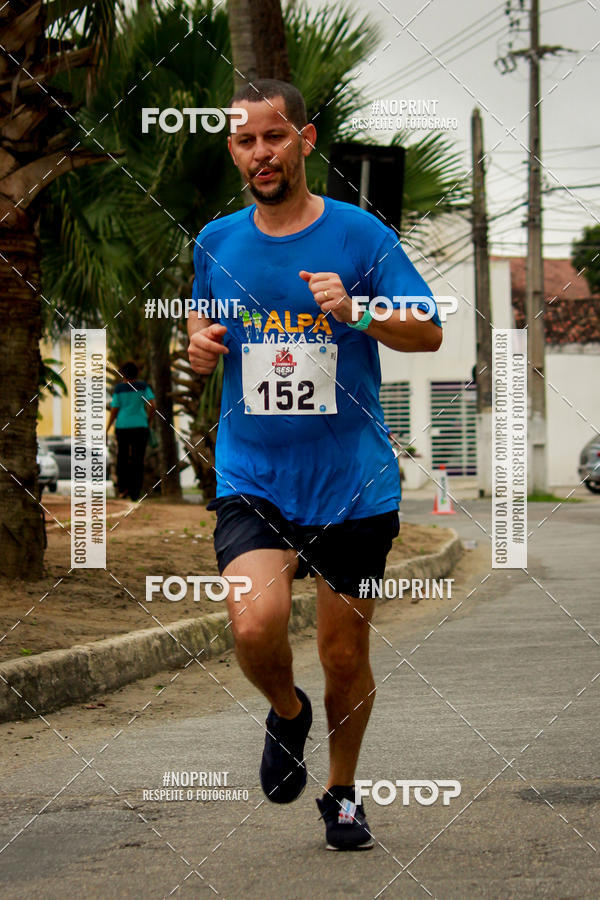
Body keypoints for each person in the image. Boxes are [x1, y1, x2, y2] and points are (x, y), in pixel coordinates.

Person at [187, 79, 442, 851]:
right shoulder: (217, 242)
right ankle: (286, 713)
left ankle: (341, 793)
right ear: (233, 151)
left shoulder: (363, 236)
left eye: (273, 137)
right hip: (254, 472)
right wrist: (197, 348)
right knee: (254, 625)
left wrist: (358, 309)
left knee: (342, 652)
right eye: (244, 141)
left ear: (306, 138)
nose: (259, 154)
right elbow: (204, 325)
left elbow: (428, 330)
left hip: (351, 481)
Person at [107, 361, 156, 501]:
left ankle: (123, 489)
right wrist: (148, 420)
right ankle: (135, 492)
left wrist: (108, 427)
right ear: (137, 373)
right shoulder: (143, 386)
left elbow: (114, 409)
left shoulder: (119, 389)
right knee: (138, 459)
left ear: (123, 374)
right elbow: (153, 405)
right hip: (141, 426)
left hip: (122, 427)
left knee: (122, 457)